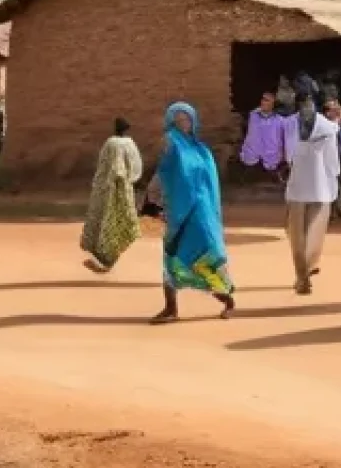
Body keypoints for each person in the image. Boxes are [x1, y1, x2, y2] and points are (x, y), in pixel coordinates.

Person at [151, 103, 235, 324]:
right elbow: (163, 172)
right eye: (178, 120)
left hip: (201, 212)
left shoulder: (200, 149)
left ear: (193, 122)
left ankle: (226, 298)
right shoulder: (171, 141)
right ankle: (171, 308)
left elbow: (211, 184)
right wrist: (155, 203)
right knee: (172, 257)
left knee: (208, 253)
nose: (182, 124)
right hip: (177, 212)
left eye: (186, 119)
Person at [284, 93, 340, 293]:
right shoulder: (323, 127)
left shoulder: (321, 128)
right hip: (313, 186)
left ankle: (303, 274)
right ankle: (304, 272)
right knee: (305, 233)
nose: (307, 110)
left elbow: (288, 154)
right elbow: (332, 160)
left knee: (303, 234)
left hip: (308, 186)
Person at [80, 117, 144, 273]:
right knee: (119, 224)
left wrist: (108, 184)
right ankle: (106, 259)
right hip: (125, 190)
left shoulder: (112, 143)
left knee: (108, 222)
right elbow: (137, 167)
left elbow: (111, 168)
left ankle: (106, 259)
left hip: (111, 190)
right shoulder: (131, 144)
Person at [239, 92, 285, 174]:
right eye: (262, 99)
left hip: (271, 159)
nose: (262, 102)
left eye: (266, 100)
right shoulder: (253, 116)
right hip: (251, 157)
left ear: (273, 104)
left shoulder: (280, 121)